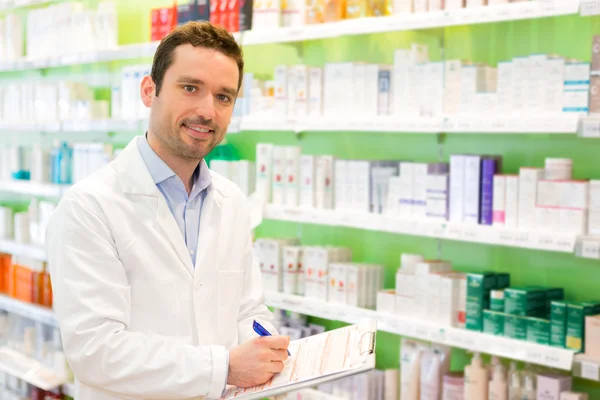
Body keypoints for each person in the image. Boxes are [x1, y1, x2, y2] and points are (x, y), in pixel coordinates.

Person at [46, 21, 290, 400]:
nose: (207, 111)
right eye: (190, 88)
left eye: (224, 97)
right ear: (150, 91)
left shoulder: (232, 202)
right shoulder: (88, 207)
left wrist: (268, 350)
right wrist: (224, 366)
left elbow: (249, 309)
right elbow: (95, 351)